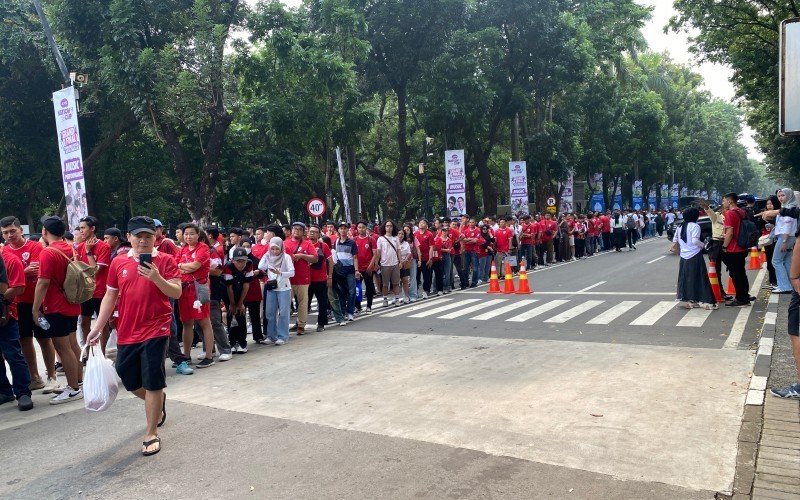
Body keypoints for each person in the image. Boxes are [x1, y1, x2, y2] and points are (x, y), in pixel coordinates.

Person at [86, 216, 182, 457]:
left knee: (152, 380)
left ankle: (151, 432)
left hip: (157, 328)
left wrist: (156, 278)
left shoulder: (167, 260)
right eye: (138, 236)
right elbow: (110, 296)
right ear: (129, 238)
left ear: (155, 238)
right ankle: (157, 399)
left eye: (148, 236)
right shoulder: (118, 263)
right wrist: (97, 327)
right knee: (129, 379)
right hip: (127, 330)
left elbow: (177, 292)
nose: (143, 240)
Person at [0, 216, 59, 394]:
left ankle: (52, 377)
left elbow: (38, 271)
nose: (9, 235)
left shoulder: (35, 247)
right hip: (17, 304)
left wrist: (19, 275)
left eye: (12, 231)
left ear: (21, 229)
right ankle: (34, 377)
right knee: (24, 340)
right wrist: (23, 273)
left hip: (39, 303)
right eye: (5, 233)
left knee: (44, 339)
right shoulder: (3, 253)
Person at [32, 216, 83, 404]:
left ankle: (73, 389)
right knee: (73, 344)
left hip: (56, 306)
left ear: (44, 232)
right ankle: (78, 381)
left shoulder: (47, 253)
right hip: (72, 302)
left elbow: (43, 282)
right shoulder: (70, 247)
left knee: (63, 348)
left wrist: (35, 309)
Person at [176, 223, 216, 367]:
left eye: (192, 233)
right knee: (186, 322)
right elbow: (176, 265)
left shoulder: (203, 248)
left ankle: (209, 356)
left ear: (198, 234)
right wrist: (184, 267)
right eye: (186, 233)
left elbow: (195, 266)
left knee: (204, 321)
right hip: (184, 288)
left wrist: (182, 266)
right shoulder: (183, 249)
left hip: (199, 288)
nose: (188, 236)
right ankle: (186, 356)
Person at [0, 250, 34, 411]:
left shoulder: (9, 259)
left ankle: (23, 392)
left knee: (13, 354)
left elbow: (18, 287)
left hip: (5, 315)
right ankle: (5, 391)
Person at [76, 216, 113, 352]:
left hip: (100, 292)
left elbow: (95, 271)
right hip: (85, 292)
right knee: (84, 322)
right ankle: (88, 351)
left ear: (92, 229)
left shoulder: (104, 247)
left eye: (83, 228)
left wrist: (89, 251)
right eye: (80, 228)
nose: (81, 231)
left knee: (102, 324)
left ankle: (102, 353)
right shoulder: (79, 247)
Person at [671, 208, 716, 310]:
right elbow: (695, 241)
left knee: (686, 278)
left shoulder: (679, 226)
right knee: (700, 277)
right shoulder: (695, 226)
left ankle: (689, 300)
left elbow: (675, 240)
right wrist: (704, 245)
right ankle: (706, 302)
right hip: (694, 255)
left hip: (683, 256)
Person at [260, 237, 295, 345]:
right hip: (272, 288)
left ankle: (282, 336)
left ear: (281, 248)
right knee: (270, 313)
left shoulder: (286, 257)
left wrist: (280, 273)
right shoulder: (268, 256)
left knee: (283, 313)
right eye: (273, 249)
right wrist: (266, 256)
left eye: (277, 249)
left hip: (284, 288)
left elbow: (292, 272)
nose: (275, 251)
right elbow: (261, 266)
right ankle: (271, 336)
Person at [284, 222, 317, 335]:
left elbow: (315, 258)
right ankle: (284, 325)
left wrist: (302, 256)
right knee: (285, 303)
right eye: (294, 229)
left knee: (303, 302)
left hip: (303, 278)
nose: (296, 231)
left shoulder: (307, 244)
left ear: (303, 232)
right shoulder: (285, 243)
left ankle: (301, 325)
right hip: (287, 279)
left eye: (299, 229)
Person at [721, 192, 750, 307]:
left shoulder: (730, 213)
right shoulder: (741, 211)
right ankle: (744, 295)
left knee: (736, 274)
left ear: (730, 201)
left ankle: (740, 298)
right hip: (743, 246)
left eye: (724, 200)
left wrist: (724, 246)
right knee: (741, 273)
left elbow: (730, 232)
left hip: (733, 248)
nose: (723, 202)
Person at [223, 247, 253, 352]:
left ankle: (242, 343)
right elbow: (229, 287)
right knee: (231, 315)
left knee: (241, 314)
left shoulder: (249, 264)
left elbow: (246, 285)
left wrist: (240, 303)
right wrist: (232, 304)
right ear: (233, 260)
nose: (241, 264)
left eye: (243, 261)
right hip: (228, 293)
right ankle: (232, 342)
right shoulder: (228, 266)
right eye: (238, 261)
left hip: (241, 293)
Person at [332, 222, 360, 323]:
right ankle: (342, 311)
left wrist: (356, 270)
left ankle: (350, 312)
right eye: (341, 228)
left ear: (348, 230)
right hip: (339, 271)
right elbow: (334, 256)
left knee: (352, 292)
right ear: (338, 230)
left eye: (345, 228)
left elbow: (355, 257)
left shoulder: (352, 243)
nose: (343, 230)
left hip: (350, 270)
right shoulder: (336, 242)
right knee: (341, 292)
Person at [771, 188, 797, 294]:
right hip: (789, 237)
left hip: (786, 237)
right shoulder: (787, 206)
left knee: (776, 261)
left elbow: (788, 226)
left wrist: (785, 241)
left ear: (789, 195)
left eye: (783, 195)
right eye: (779, 196)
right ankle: (788, 285)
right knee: (786, 261)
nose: (780, 198)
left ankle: (784, 286)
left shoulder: (789, 207)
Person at [307, 225, 331, 332]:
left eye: (315, 232)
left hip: (320, 279)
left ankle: (321, 323)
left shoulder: (323, 246)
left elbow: (331, 262)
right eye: (311, 231)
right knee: (304, 303)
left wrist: (329, 276)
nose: (312, 234)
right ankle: (300, 323)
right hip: (306, 280)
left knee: (322, 302)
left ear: (319, 234)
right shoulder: (304, 245)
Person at [376, 220, 402, 307]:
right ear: (384, 227)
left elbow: (398, 250)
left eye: (391, 226)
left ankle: (397, 299)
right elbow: (378, 252)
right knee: (385, 284)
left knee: (396, 283)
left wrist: (400, 261)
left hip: (395, 264)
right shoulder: (380, 239)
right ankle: (385, 299)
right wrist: (376, 263)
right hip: (384, 264)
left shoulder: (396, 238)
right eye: (387, 226)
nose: (389, 227)